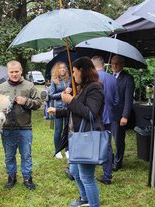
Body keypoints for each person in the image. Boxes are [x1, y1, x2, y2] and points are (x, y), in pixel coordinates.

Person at [48, 57, 104, 207]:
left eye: (74, 71)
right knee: (75, 172)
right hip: (76, 138)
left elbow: (91, 113)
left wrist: (71, 101)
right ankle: (84, 198)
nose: (72, 75)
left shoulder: (95, 88)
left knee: (86, 176)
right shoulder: (83, 88)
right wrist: (58, 111)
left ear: (82, 71)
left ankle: (93, 204)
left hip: (86, 138)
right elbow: (74, 111)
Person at [0, 60, 41, 190]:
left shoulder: (29, 86)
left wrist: (25, 101)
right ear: (7, 72)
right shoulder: (1, 88)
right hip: (7, 128)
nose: (14, 74)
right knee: (9, 155)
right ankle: (11, 177)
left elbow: (38, 104)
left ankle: (27, 178)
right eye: (11, 72)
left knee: (26, 155)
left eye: (17, 71)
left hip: (25, 128)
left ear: (21, 71)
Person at [92, 56, 118, 185]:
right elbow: (117, 100)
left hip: (95, 117)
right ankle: (107, 175)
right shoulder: (113, 78)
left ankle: (87, 171)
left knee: (90, 142)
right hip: (109, 116)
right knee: (107, 146)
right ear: (103, 64)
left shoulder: (93, 78)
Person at [111, 55, 135, 171]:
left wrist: (125, 116)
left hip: (119, 115)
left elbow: (128, 99)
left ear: (122, 64)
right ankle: (110, 159)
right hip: (108, 114)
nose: (114, 66)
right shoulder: (109, 77)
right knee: (106, 138)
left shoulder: (128, 78)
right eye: (113, 63)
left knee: (118, 140)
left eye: (117, 63)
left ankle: (118, 161)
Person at [49, 61, 71, 159]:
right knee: (58, 130)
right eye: (60, 68)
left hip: (68, 108)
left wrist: (70, 91)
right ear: (57, 69)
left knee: (67, 130)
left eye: (64, 67)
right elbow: (52, 95)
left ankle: (67, 150)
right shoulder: (54, 80)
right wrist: (62, 93)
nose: (63, 69)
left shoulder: (69, 79)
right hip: (57, 108)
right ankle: (57, 150)